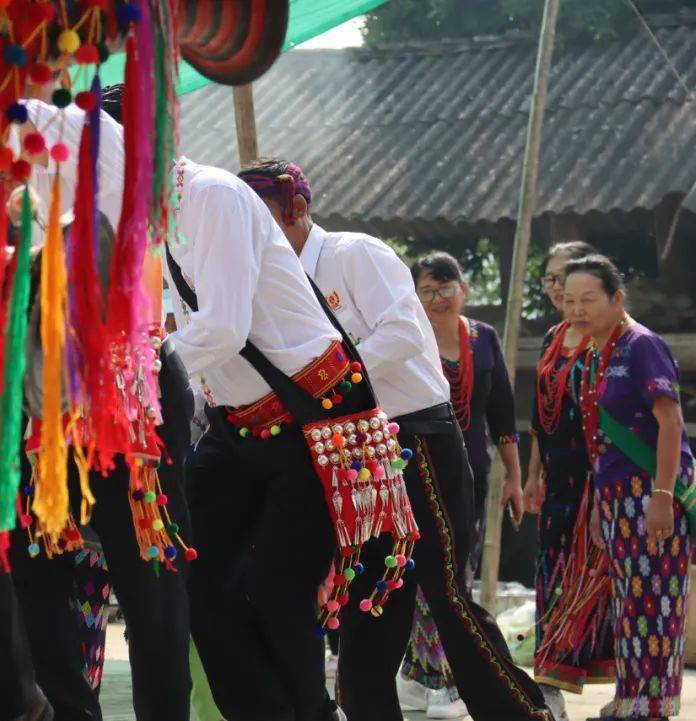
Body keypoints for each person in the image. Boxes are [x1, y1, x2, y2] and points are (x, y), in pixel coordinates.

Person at [238, 158, 551, 721]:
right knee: (371, 596)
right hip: (351, 448)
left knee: (447, 594)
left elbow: (404, 334)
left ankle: (523, 714)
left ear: (298, 209)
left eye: (259, 218)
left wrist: (326, 380)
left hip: (416, 436)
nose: (249, 234)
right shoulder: (263, 278)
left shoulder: (355, 253)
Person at [14, 93, 195, 721]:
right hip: (40, 390)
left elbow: (106, 249)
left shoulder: (91, 136)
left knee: (148, 578)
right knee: (37, 573)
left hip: (123, 385)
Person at [565, 254, 692, 720]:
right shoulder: (599, 352)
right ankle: (631, 696)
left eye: (589, 300)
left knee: (658, 595)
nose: (578, 310)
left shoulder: (642, 346)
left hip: (652, 488)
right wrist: (602, 503)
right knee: (631, 596)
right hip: (617, 493)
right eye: (571, 301)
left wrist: (661, 498)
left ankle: (652, 703)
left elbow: (671, 422)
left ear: (618, 300)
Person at [398, 250, 525, 716]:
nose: (437, 299)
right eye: (427, 291)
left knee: (456, 574)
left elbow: (503, 415)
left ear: (464, 290)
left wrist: (515, 475)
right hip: (413, 470)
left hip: (470, 476)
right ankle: (423, 676)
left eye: (446, 288)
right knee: (417, 571)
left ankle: (445, 679)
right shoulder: (405, 336)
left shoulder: (484, 339)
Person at [524, 241, 614, 721]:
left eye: (567, 278)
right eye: (552, 280)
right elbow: (542, 414)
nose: (559, 289)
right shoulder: (553, 337)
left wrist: (605, 492)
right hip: (558, 479)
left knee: (605, 581)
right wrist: (534, 472)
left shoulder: (617, 341)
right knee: (552, 577)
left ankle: (627, 687)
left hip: (604, 478)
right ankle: (549, 686)